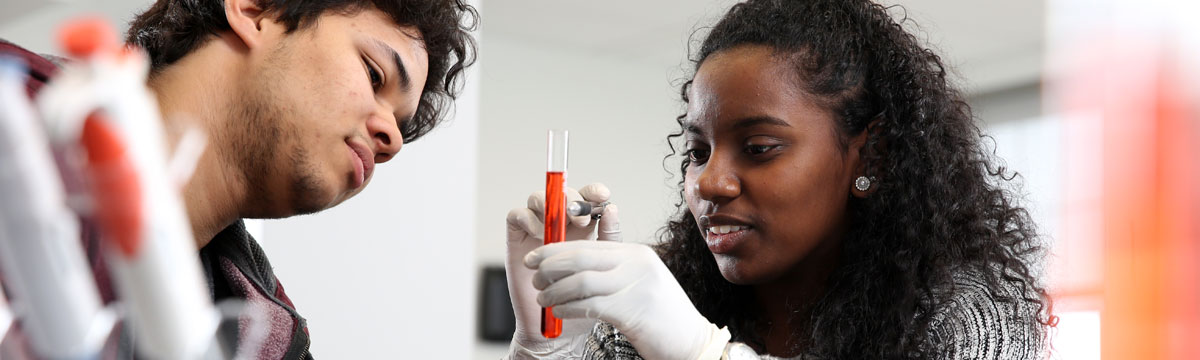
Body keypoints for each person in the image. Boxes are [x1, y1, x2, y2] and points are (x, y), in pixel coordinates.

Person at [503, 0, 1053, 359]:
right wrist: (548, 348)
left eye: (759, 148)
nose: (710, 183)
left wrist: (703, 353)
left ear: (872, 156)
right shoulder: (674, 306)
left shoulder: (968, 318)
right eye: (698, 150)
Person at [1, 0, 476, 358]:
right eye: (374, 75)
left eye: (400, 123)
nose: (391, 138)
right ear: (255, 11)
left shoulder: (266, 329)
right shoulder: (14, 117)